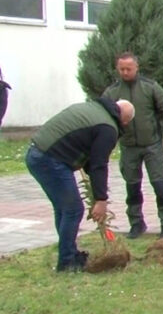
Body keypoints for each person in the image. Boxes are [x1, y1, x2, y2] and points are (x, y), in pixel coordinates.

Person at [25, 97, 135, 272]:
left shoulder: (94, 109)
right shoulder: (108, 128)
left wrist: (98, 191)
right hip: (50, 160)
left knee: (64, 208)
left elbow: (88, 156)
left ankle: (69, 254)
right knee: (73, 209)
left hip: (36, 154)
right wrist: (100, 200)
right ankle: (67, 262)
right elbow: (99, 164)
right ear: (126, 121)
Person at [101, 52, 163, 238]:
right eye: (121, 69)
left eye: (129, 69)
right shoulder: (112, 92)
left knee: (160, 184)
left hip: (152, 145)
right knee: (132, 187)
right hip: (128, 147)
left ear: (137, 68)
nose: (125, 72)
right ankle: (136, 223)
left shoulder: (150, 87)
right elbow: (104, 118)